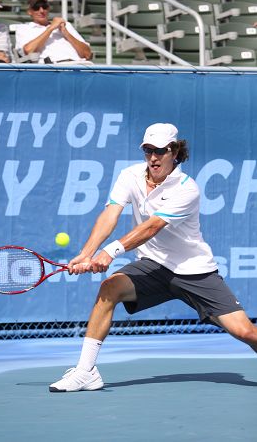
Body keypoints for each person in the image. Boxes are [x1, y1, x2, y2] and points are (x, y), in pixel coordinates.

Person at [49, 122, 257, 392]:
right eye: (148, 150)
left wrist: (110, 251)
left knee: (246, 332)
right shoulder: (130, 176)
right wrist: (86, 253)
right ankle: (86, 371)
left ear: (175, 152)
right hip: (153, 267)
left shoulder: (186, 188)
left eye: (160, 150)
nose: (153, 157)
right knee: (109, 287)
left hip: (193, 270)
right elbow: (111, 213)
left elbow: (152, 226)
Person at [15, 0, 92, 64]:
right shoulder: (23, 28)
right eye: (36, 7)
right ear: (29, 11)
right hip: (54, 68)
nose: (41, 10)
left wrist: (66, 33)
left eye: (44, 6)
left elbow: (87, 54)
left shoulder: (65, 25)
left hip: (78, 65)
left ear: (48, 8)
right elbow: (28, 50)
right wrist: (51, 28)